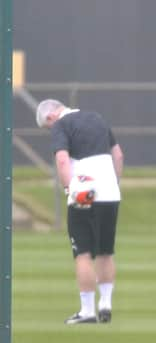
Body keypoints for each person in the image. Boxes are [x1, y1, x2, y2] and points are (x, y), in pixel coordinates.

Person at [36, 99, 123, 323]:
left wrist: (69, 189)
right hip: (110, 190)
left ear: (50, 117)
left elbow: (63, 161)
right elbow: (118, 155)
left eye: (47, 128)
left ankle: (87, 311)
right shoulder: (97, 118)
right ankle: (105, 304)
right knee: (105, 251)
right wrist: (114, 184)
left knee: (83, 252)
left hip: (84, 190)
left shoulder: (61, 125)